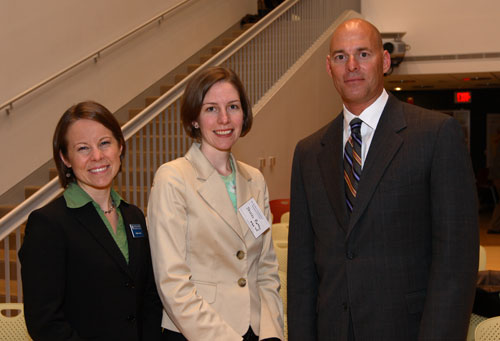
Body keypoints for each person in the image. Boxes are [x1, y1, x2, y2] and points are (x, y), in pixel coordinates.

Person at [287, 18, 479, 340]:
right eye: (340, 57)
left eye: (363, 54)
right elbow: (302, 269)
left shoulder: (435, 135)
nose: (351, 66)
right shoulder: (308, 152)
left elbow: (455, 261)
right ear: (329, 67)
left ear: (385, 61)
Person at [147, 66, 284, 340]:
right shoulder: (173, 178)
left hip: (254, 330)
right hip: (197, 333)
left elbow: (265, 269)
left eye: (233, 107)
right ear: (195, 118)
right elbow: (172, 282)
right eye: (211, 109)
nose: (224, 118)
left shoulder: (254, 180)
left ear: (243, 114)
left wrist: (272, 333)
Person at [19, 101, 163, 341]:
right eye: (83, 148)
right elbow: (44, 322)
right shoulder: (48, 224)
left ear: (120, 147)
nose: (97, 156)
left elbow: (148, 296)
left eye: (105, 143)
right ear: (66, 158)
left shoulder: (133, 216)